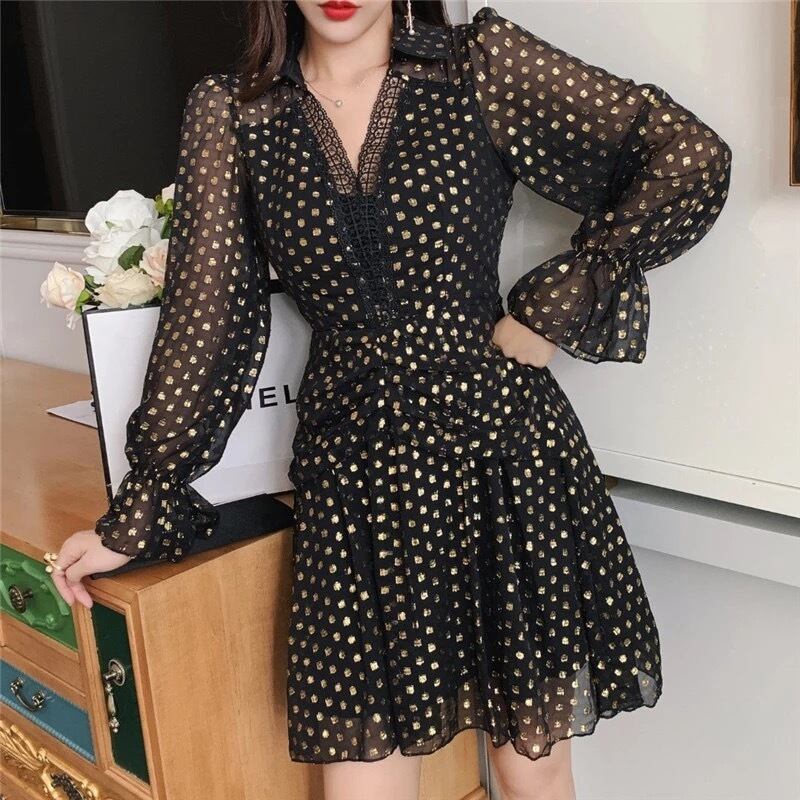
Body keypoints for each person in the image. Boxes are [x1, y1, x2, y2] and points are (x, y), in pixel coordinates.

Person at [51, 1, 732, 798]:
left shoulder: (477, 66)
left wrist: (557, 302)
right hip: (358, 476)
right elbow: (210, 316)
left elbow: (689, 156)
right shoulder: (235, 111)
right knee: (362, 779)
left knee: (532, 772)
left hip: (503, 457)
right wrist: (144, 505)